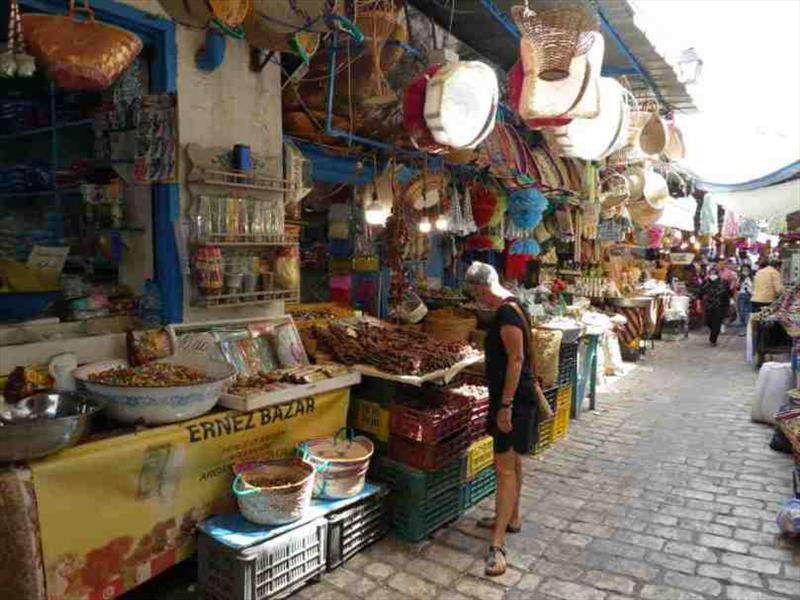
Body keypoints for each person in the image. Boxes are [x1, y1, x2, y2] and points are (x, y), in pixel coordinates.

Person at [464, 261, 537, 577]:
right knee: (514, 462)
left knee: (504, 469)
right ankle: (512, 518)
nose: (474, 297)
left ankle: (497, 545)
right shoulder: (513, 302)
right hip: (515, 398)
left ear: (480, 288)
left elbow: (517, 359)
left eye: (473, 292)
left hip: (513, 401)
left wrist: (505, 406)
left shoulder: (506, 314)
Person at [700, 266, 732, 345]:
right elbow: (700, 293)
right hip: (709, 306)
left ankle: (713, 340)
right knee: (708, 321)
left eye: (714, 273)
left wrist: (728, 305)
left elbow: (728, 294)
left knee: (717, 323)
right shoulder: (706, 282)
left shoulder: (724, 282)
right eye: (711, 273)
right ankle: (714, 332)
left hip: (720, 306)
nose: (712, 275)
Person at [735, 264, 754, 328]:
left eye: (746, 270)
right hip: (742, 295)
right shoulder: (740, 278)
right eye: (744, 270)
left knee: (750, 312)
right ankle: (742, 327)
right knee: (742, 313)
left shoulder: (752, 278)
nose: (745, 271)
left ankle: (749, 327)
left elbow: (755, 287)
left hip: (751, 295)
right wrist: (740, 283)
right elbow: (737, 288)